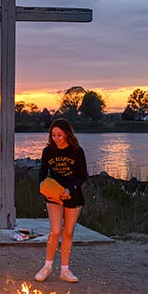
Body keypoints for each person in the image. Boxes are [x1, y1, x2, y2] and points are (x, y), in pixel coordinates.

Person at [34, 118, 89, 283]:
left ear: (66, 134)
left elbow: (83, 176)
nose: (56, 138)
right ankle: (47, 267)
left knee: (68, 232)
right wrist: (43, 185)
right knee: (55, 230)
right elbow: (42, 172)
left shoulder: (77, 151)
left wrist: (69, 190)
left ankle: (65, 270)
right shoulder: (48, 151)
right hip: (54, 195)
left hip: (73, 194)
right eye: (53, 135)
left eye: (59, 135)